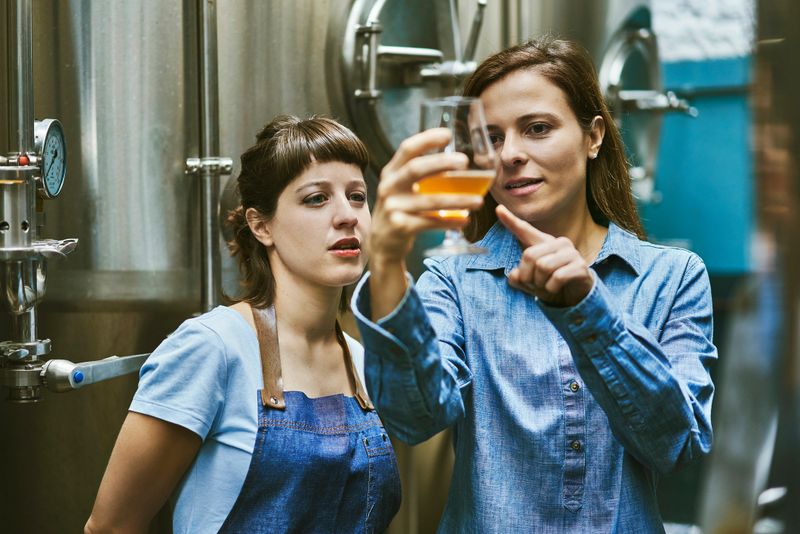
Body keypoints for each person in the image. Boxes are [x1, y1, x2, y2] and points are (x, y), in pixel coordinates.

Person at [353, 37, 716, 532]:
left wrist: (588, 308)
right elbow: (415, 419)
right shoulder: (455, 279)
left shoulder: (671, 276)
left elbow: (677, 445)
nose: (511, 155)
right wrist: (389, 260)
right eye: (492, 138)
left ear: (594, 137)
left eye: (537, 128)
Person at [85, 116, 401, 533]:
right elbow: (111, 528)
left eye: (358, 196)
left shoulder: (363, 362)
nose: (347, 216)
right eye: (316, 199)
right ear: (261, 225)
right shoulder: (213, 347)